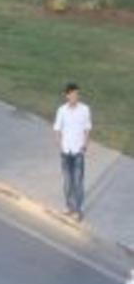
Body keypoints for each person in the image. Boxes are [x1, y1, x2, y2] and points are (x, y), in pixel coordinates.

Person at [53, 82, 92, 222]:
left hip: (78, 151)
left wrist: (85, 145)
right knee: (68, 181)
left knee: (78, 181)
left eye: (77, 94)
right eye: (73, 94)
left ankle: (78, 209)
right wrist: (60, 145)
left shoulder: (85, 109)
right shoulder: (61, 110)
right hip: (65, 151)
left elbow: (87, 128)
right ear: (67, 95)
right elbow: (57, 128)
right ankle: (70, 207)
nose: (76, 96)